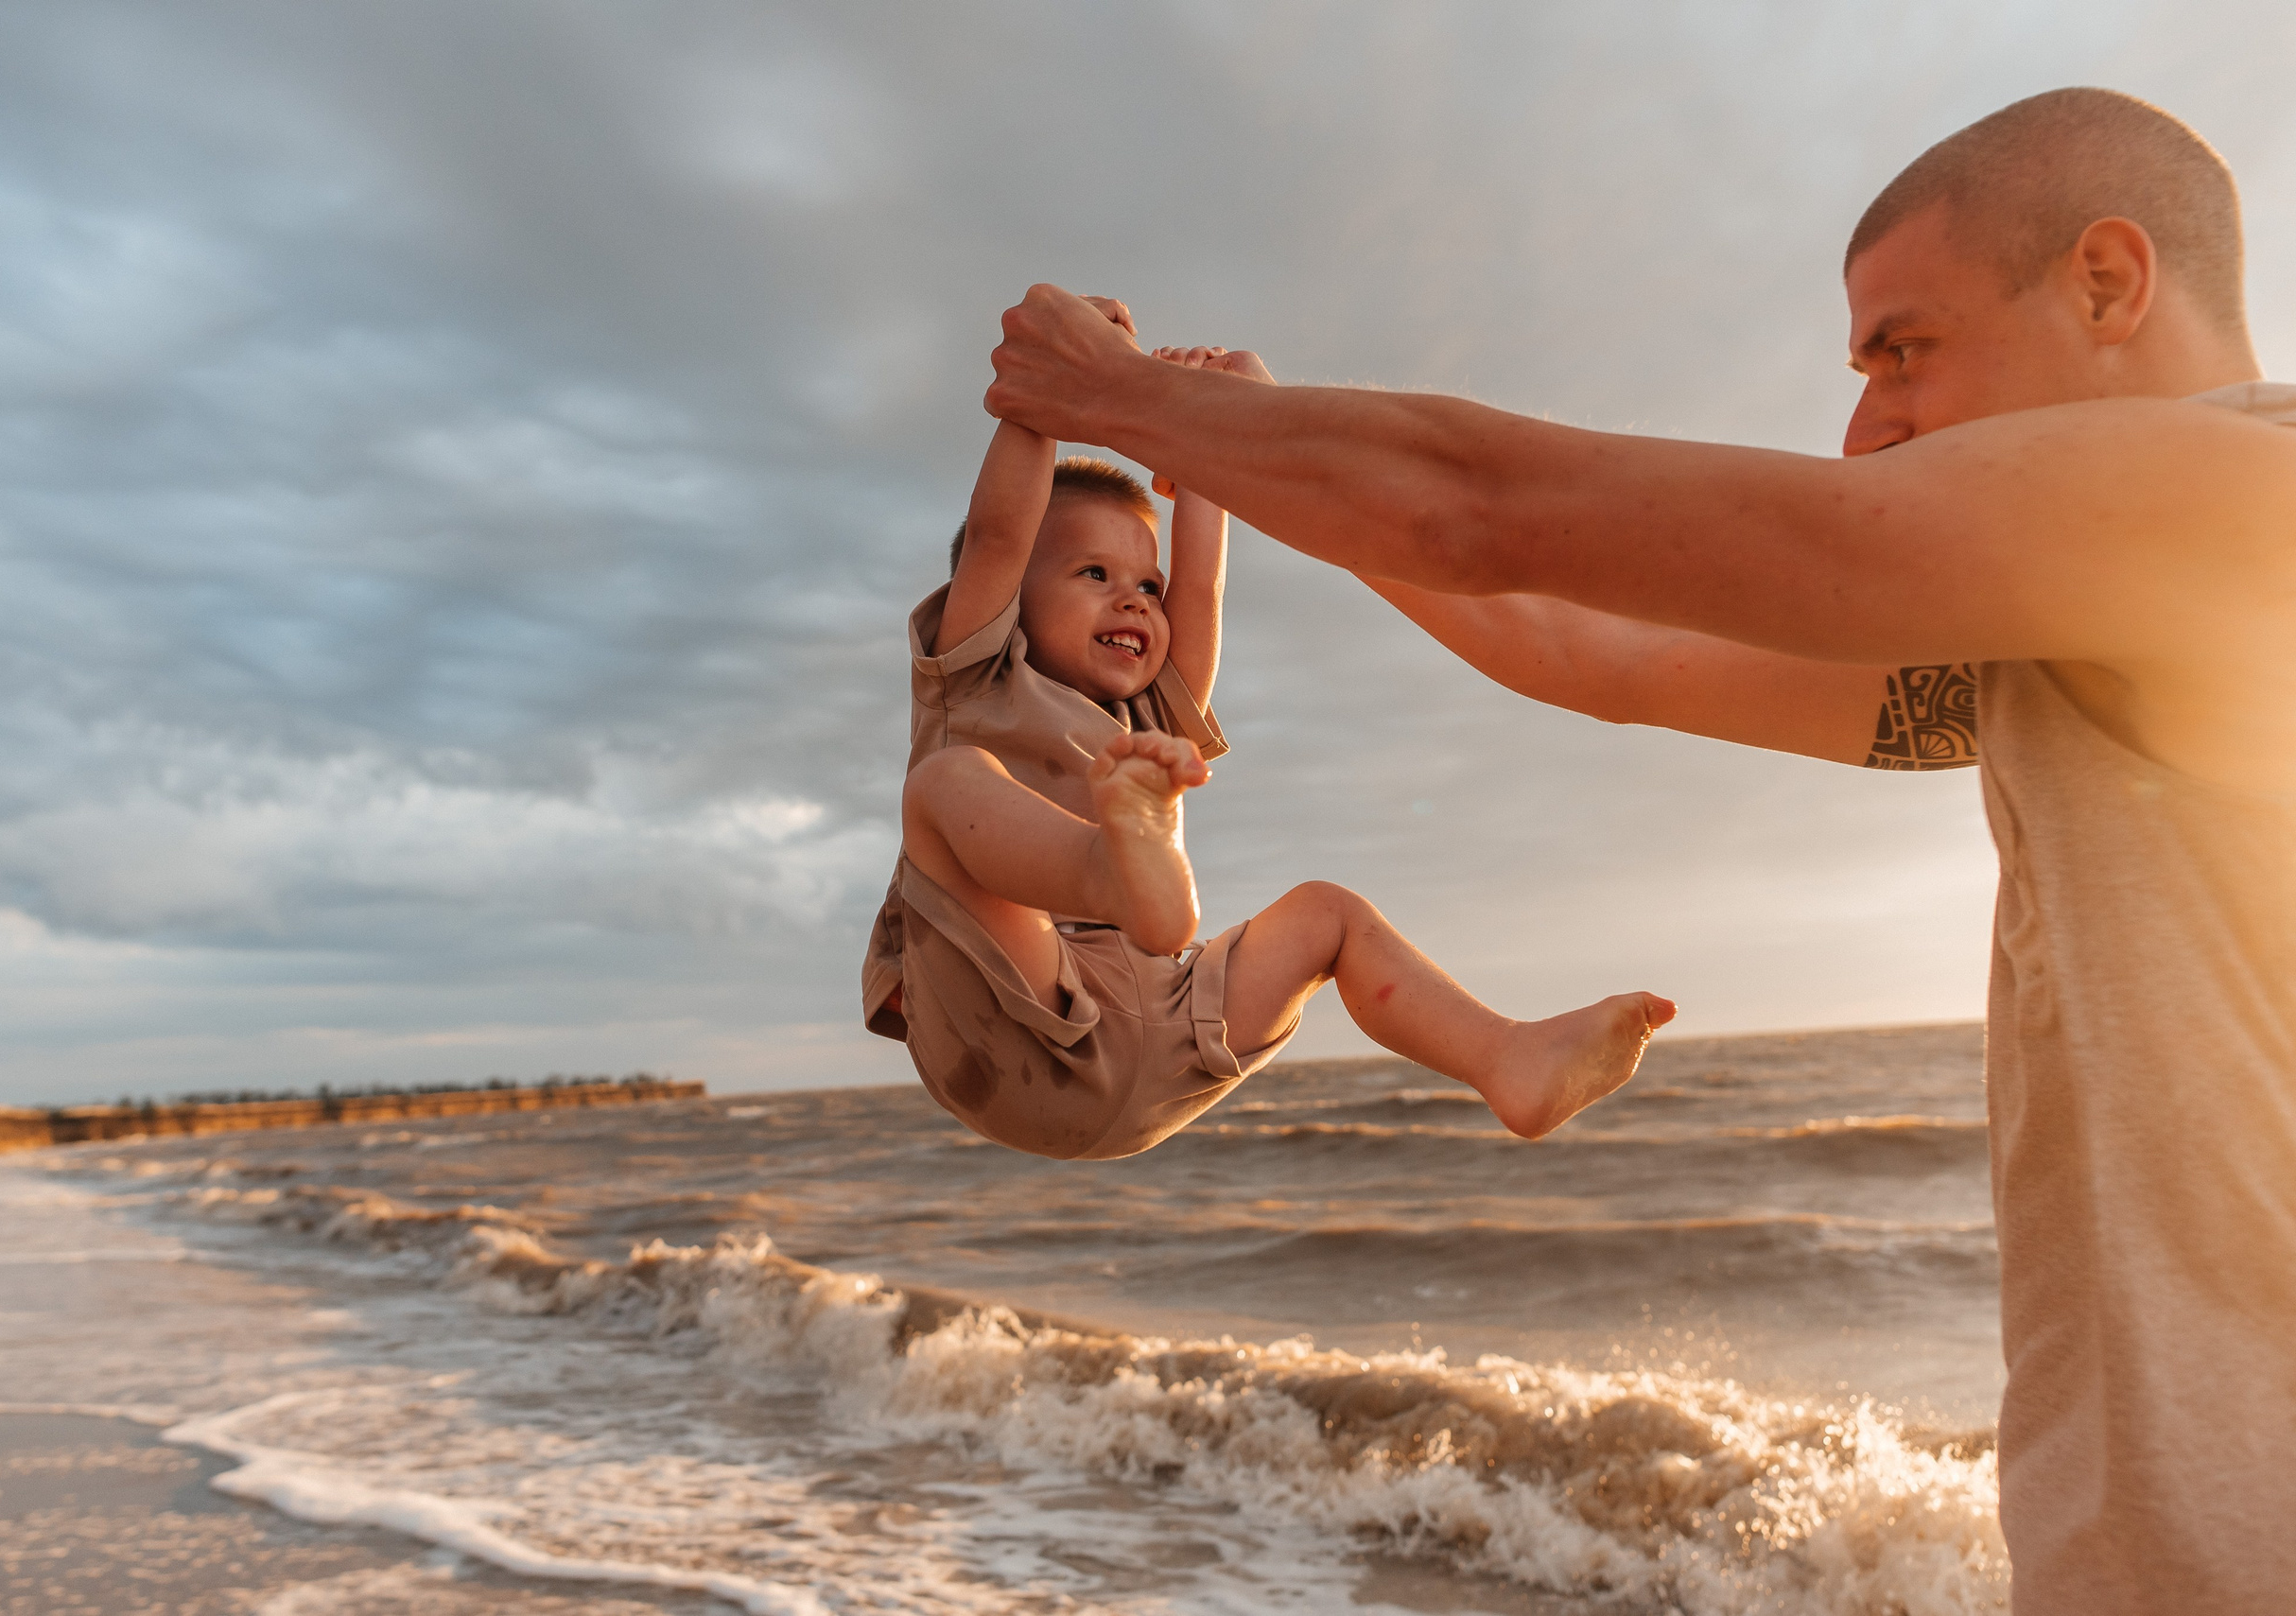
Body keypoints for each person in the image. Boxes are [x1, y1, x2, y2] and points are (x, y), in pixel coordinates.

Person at [983, 87, 2295, 1615]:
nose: (1866, 427)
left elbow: (1495, 511)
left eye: (1905, 350)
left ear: (2109, 283)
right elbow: (1591, 643)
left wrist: (1125, 397)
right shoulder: (2047, 647)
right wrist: (1266, 442)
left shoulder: (2246, 503)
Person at [861, 345, 1674, 1162]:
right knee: (944, 784)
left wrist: (1204, 416)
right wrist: (1046, 391)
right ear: (1005, 598)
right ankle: (1111, 868)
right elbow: (1002, 531)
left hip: (1165, 1033)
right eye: (1093, 572)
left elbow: (1203, 584)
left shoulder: (1151, 716)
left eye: (1147, 586)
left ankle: (1505, 1058)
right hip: (1012, 1027)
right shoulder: (973, 681)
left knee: (1329, 913)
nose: (1133, 600)